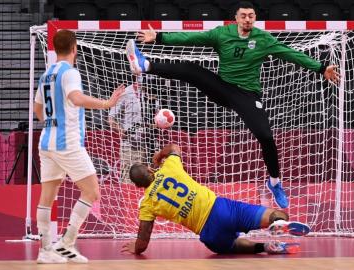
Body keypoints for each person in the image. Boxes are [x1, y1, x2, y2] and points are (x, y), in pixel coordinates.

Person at [125, 1, 340, 209]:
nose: (248, 19)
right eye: (243, 16)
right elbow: (190, 37)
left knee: (265, 136)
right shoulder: (222, 34)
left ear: (255, 18)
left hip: (246, 95)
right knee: (192, 70)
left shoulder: (263, 39)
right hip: (222, 88)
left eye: (251, 16)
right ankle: (145, 65)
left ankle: (274, 183)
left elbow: (291, 54)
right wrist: (159, 37)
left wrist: (321, 68)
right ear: (236, 18)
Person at [33, 29, 125, 264]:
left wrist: (53, 122)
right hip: (67, 142)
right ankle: (66, 242)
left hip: (46, 141)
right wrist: (107, 103)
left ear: (54, 48)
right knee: (92, 191)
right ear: (74, 49)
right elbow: (75, 98)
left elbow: (37, 110)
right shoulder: (70, 72)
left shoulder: (47, 74)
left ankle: (45, 251)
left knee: (47, 197)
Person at [121, 144, 310, 255]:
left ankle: (266, 246)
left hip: (208, 232)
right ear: (150, 170)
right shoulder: (169, 168)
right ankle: (278, 223)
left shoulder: (146, 204)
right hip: (221, 209)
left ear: (138, 187)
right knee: (276, 214)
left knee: (230, 246)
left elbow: (143, 241)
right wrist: (159, 155)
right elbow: (174, 148)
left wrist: (136, 248)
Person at [108, 82, 145, 182]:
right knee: (127, 180)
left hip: (148, 145)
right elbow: (111, 118)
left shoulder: (151, 93)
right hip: (129, 145)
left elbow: (156, 118)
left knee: (146, 181)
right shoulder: (126, 93)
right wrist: (120, 130)